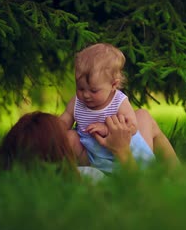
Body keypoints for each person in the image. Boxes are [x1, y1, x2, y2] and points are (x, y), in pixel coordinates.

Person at [59, 43, 179, 173]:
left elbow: (132, 127)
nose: (86, 95)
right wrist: (56, 128)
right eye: (80, 88)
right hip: (89, 152)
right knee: (69, 137)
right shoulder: (77, 102)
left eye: (94, 91)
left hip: (120, 149)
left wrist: (107, 129)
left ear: (113, 85)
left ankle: (175, 171)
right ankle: (89, 170)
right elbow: (65, 119)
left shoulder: (118, 101)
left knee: (141, 121)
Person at [0, 110, 163, 181]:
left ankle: (180, 175)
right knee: (144, 118)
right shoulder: (87, 178)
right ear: (58, 153)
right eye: (67, 134)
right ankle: (180, 177)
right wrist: (121, 150)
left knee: (142, 116)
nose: (75, 132)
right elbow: (142, 194)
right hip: (145, 182)